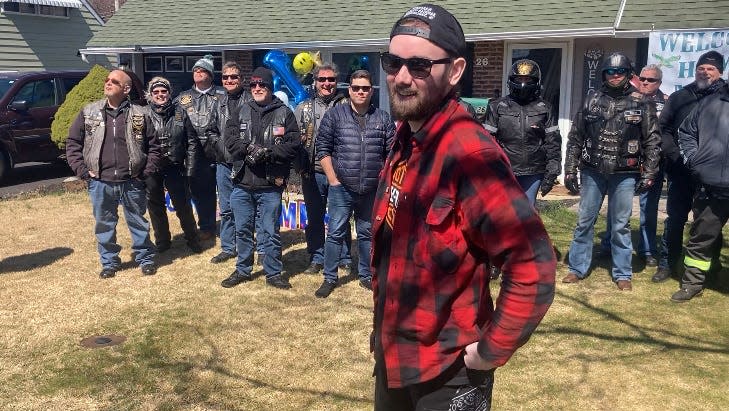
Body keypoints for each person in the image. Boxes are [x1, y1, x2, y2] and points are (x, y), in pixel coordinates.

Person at [371, 5, 556, 410]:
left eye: (419, 65)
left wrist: (490, 351)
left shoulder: (470, 153)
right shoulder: (405, 138)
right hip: (395, 358)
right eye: (393, 62)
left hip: (448, 373)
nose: (401, 77)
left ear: (454, 72)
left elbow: (533, 265)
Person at [562, 52, 661, 291]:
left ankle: (622, 273)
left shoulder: (641, 102)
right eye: (610, 72)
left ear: (628, 74)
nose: (614, 76)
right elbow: (576, 138)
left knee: (620, 225)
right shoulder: (591, 100)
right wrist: (569, 169)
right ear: (603, 74)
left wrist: (649, 173)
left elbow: (652, 141)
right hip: (592, 171)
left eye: (619, 72)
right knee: (584, 221)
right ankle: (577, 268)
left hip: (624, 173)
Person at [66, 69, 161, 278]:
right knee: (104, 225)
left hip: (132, 181)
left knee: (138, 222)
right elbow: (72, 143)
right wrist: (82, 171)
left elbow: (154, 147)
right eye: (107, 80)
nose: (108, 83)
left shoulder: (141, 114)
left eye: (114, 81)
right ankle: (109, 263)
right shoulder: (89, 112)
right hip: (100, 182)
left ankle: (145, 258)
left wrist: (145, 172)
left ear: (126, 89)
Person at [314, 69, 395, 298]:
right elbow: (323, 149)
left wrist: (383, 182)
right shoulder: (335, 115)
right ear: (349, 90)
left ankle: (366, 276)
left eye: (365, 88)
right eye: (356, 87)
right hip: (342, 187)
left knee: (367, 233)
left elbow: (391, 154)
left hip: (371, 189)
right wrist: (333, 180)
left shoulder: (383, 118)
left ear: (372, 91)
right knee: (335, 233)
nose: (361, 91)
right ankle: (330, 277)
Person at [220, 67, 300, 290]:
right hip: (242, 184)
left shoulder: (285, 113)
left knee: (270, 231)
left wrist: (268, 152)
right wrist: (247, 149)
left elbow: (294, 144)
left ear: (270, 87)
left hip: (269, 185)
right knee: (243, 230)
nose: (257, 88)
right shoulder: (241, 110)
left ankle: (273, 273)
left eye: (262, 85)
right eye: (253, 85)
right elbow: (230, 139)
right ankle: (243, 269)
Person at [652, 51, 726, 283]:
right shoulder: (679, 97)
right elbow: (663, 129)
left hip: (713, 177)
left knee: (709, 224)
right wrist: (677, 155)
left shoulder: (725, 97)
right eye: (701, 68)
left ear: (720, 72)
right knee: (675, 219)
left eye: (710, 69)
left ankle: (709, 268)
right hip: (681, 170)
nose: (704, 72)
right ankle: (667, 263)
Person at [599, 64, 669, 267]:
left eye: (651, 80)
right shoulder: (628, 98)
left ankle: (647, 250)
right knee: (618, 207)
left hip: (651, 164)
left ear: (659, 83)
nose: (646, 82)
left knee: (648, 208)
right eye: (643, 79)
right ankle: (608, 245)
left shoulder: (667, 103)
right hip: (625, 163)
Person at [670, 76, 729, 302]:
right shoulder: (710, 103)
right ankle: (692, 283)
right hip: (710, 186)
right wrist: (695, 161)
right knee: (701, 238)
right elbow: (685, 132)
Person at [294, 63, 353, 275]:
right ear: (315, 82)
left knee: (341, 216)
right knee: (315, 216)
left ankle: (344, 257)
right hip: (313, 171)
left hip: (341, 171)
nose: (326, 84)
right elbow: (293, 142)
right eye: (322, 80)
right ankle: (317, 257)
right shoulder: (303, 108)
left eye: (331, 80)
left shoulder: (349, 105)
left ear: (337, 82)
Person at [483, 58, 561, 205]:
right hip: (505, 169)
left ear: (536, 81)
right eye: (519, 78)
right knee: (504, 211)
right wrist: (488, 169)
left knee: (527, 211)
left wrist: (553, 169)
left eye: (527, 79)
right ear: (511, 80)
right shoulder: (497, 106)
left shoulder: (545, 107)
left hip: (534, 170)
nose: (523, 82)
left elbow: (553, 141)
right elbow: (487, 141)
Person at [143, 77, 202, 254]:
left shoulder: (180, 113)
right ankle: (162, 240)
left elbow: (192, 141)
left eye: (164, 91)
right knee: (155, 205)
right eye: (156, 92)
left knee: (183, 205)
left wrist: (190, 167)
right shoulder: (144, 114)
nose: (160, 95)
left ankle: (192, 238)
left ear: (169, 93)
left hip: (175, 166)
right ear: (150, 95)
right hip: (152, 168)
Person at [176, 54, 223, 243]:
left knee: (228, 193)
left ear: (210, 75)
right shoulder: (183, 97)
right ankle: (206, 227)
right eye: (195, 69)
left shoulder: (222, 94)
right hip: (195, 153)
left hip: (220, 151)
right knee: (201, 193)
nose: (197, 72)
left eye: (202, 69)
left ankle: (232, 227)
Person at [209, 61, 253, 265]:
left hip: (246, 164)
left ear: (241, 79)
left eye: (233, 77)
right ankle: (228, 247)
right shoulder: (218, 103)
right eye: (226, 77)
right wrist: (220, 147)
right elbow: (210, 131)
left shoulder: (252, 101)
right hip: (223, 163)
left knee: (249, 207)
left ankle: (252, 245)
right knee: (226, 208)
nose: (229, 80)